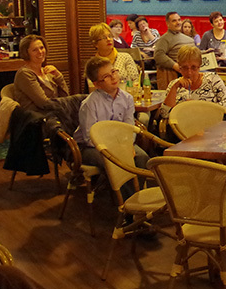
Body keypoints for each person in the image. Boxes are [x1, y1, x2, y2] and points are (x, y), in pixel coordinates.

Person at [73, 57, 148, 197]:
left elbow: (129, 127)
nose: (113, 77)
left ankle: (135, 197)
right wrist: (115, 149)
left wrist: (127, 145)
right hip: (90, 147)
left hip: (119, 143)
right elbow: (89, 138)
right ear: (97, 84)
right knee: (116, 161)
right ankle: (124, 202)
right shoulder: (90, 104)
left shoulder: (127, 98)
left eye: (113, 71)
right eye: (106, 76)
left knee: (142, 157)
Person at [160, 45, 226, 117]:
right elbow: (165, 114)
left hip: (210, 123)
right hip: (181, 124)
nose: (189, 72)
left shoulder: (212, 79)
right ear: (179, 67)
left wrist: (199, 108)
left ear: (199, 66)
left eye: (194, 67)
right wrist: (174, 87)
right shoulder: (174, 84)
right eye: (185, 67)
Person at [14, 34, 69, 114]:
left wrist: (58, 76)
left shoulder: (48, 72)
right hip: (38, 117)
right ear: (26, 53)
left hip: (54, 113)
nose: (40, 52)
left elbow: (66, 96)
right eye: (34, 50)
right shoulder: (24, 74)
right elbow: (43, 103)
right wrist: (64, 107)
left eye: (42, 48)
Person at [88, 23, 140, 89]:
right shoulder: (93, 64)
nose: (108, 39)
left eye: (110, 36)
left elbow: (135, 81)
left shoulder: (125, 57)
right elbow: (92, 87)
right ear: (95, 44)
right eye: (104, 38)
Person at [153, 12, 194, 90]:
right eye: (174, 21)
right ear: (168, 23)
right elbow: (158, 55)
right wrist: (175, 66)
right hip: (176, 74)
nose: (178, 23)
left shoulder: (189, 39)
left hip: (192, 70)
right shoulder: (164, 39)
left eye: (179, 20)